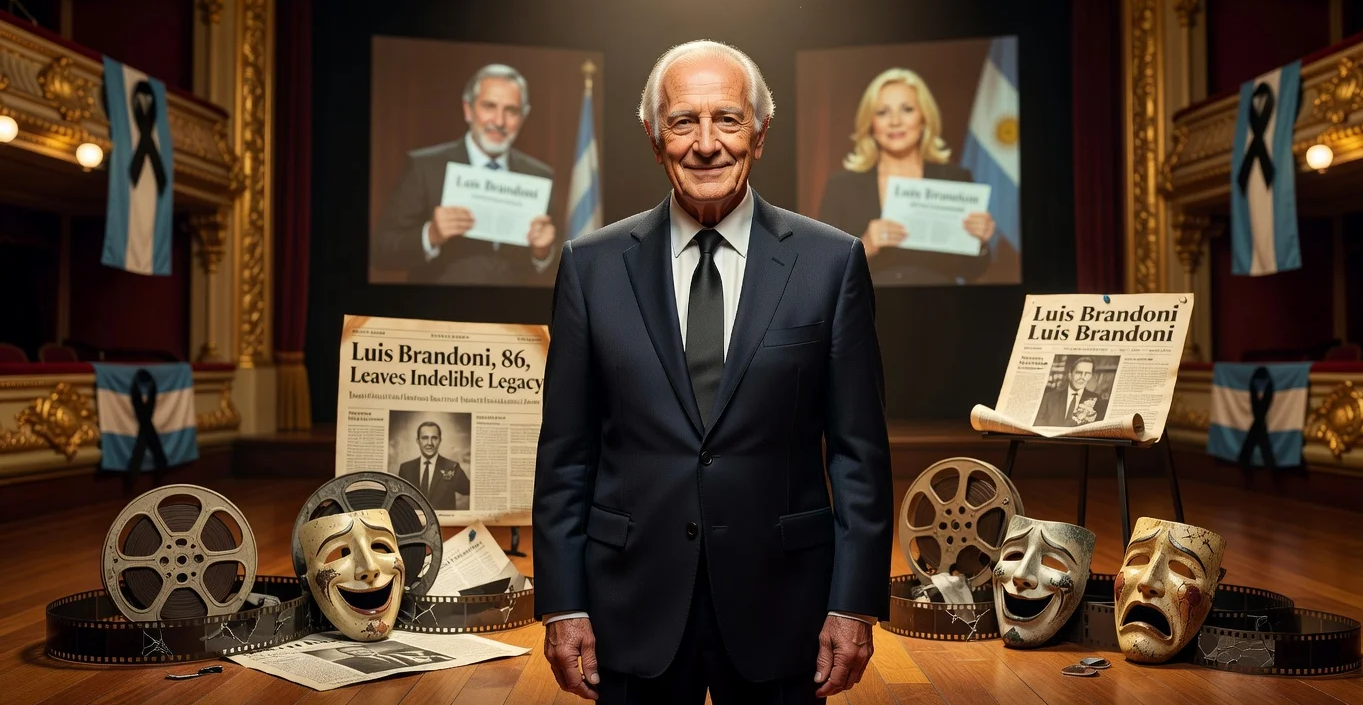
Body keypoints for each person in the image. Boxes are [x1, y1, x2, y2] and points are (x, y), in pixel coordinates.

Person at [533, 40, 892, 704]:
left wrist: (854, 605)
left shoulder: (831, 263)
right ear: (652, 135)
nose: (706, 143)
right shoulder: (590, 266)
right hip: (629, 606)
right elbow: (565, 455)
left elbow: (858, 457)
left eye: (727, 119)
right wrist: (562, 606)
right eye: (682, 121)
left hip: (785, 608)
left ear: (760, 133)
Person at [374, 63, 558, 285]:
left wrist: (543, 252)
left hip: (511, 313)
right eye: (489, 106)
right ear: (468, 109)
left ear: (524, 115)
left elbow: (558, 263)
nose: (499, 121)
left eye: (511, 110)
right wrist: (430, 235)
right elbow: (381, 251)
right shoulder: (424, 167)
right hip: (440, 311)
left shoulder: (539, 176)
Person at [817, 67, 997, 285]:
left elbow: (972, 271)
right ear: (871, 124)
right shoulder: (842, 186)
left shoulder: (955, 179)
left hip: (942, 308)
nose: (895, 121)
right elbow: (823, 270)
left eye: (907, 109)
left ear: (923, 118)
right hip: (867, 311)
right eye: (882, 112)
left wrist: (981, 243)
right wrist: (865, 246)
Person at [396, 421, 469, 509]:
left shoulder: (452, 467)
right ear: (418, 441)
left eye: (434, 438)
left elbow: (468, 490)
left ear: (440, 440)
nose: (429, 443)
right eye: (425, 438)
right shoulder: (405, 468)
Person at [1034, 357, 1110, 427]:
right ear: (1070, 375)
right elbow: (1038, 423)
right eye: (1078, 373)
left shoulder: (1096, 399)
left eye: (1087, 374)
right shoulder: (1050, 397)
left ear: (1091, 376)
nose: (1082, 377)